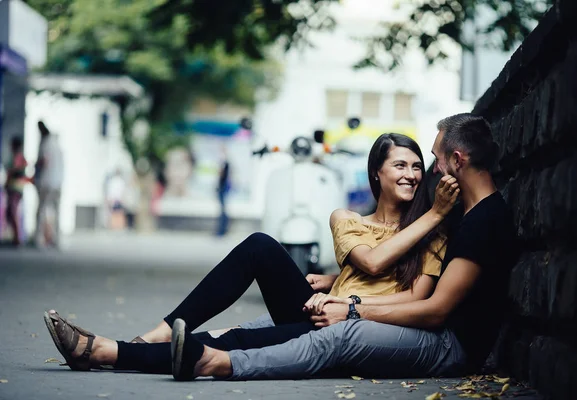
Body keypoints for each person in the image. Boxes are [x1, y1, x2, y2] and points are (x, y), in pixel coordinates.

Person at [43, 133, 459, 375]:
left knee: (238, 340)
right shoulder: (347, 218)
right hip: (317, 311)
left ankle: (103, 350)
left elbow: (416, 298)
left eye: (416, 167)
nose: (411, 175)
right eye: (399, 166)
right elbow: (370, 262)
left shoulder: (430, 231)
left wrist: (349, 303)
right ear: (376, 173)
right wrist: (338, 285)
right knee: (260, 244)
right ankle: (157, 333)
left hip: (350, 327)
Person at [157, 113, 519, 381]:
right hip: (422, 330)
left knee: (338, 333)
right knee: (262, 323)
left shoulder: (482, 222)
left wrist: (351, 309)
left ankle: (217, 362)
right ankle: (136, 349)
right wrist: (336, 282)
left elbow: (435, 309)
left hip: (448, 348)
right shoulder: (461, 214)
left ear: (458, 160)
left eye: (435, 159)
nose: (432, 171)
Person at [34, 121, 64, 248]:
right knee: (56, 212)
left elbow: (44, 162)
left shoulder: (45, 144)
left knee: (41, 211)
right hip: (57, 182)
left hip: (46, 182)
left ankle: (39, 239)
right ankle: (56, 239)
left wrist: (36, 168)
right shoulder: (57, 144)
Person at [4, 137, 28, 246]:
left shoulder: (17, 157)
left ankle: (17, 238)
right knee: (13, 212)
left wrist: (7, 181)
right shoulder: (20, 157)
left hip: (15, 188)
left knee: (13, 212)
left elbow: (12, 171)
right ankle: (16, 237)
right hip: (17, 187)